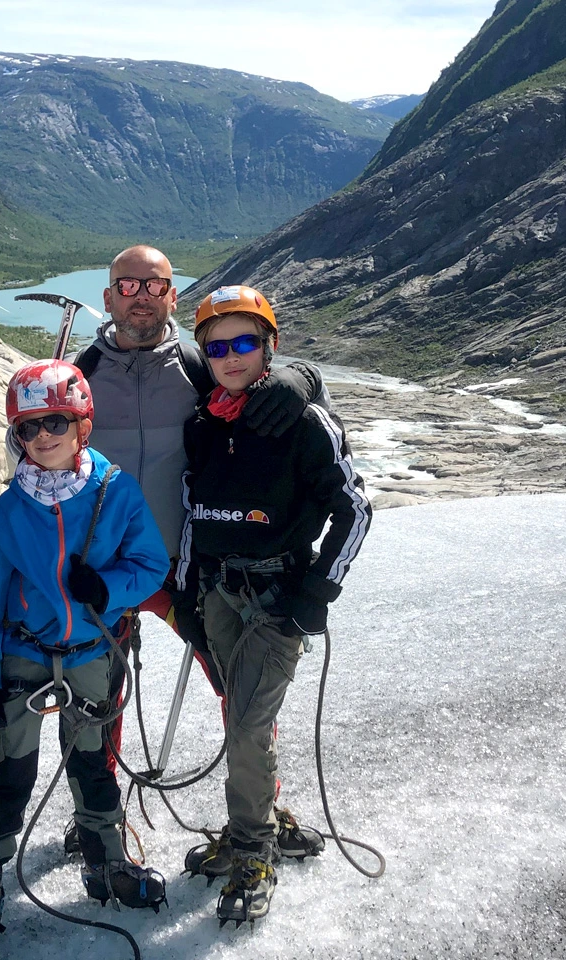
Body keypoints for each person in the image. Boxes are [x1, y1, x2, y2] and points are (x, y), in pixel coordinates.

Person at [68, 245, 331, 852]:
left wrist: (300, 377)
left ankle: (262, 811)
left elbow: (266, 376)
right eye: (127, 285)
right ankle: (96, 817)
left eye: (155, 284)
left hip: (185, 569)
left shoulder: (197, 363)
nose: (141, 295)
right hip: (102, 570)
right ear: (108, 298)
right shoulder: (82, 369)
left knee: (238, 695)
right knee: (96, 699)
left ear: (172, 296)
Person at [177, 285, 372, 925]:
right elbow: (191, 510)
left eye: (244, 343)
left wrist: (314, 594)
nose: (230, 357)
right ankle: (265, 819)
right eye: (216, 346)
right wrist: (190, 583)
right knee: (243, 716)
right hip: (219, 592)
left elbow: (355, 508)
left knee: (246, 725)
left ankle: (253, 849)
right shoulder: (204, 421)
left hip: (276, 596)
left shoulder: (303, 421)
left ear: (269, 346)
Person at [0, 359, 171, 947]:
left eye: (56, 421)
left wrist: (108, 589)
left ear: (83, 424)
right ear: (16, 436)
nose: (43, 436)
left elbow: (150, 562)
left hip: (89, 653)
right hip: (25, 657)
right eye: (29, 428)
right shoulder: (7, 512)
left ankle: (105, 860)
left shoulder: (115, 490)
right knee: (10, 772)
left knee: (92, 764)